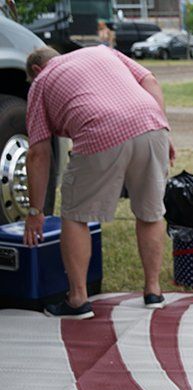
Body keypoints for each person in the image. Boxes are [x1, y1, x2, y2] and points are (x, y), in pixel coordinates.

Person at [23, 45, 175, 319]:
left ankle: (78, 299)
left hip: (100, 132)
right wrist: (163, 130)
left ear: (36, 70)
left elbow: (38, 153)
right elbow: (149, 80)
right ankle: (153, 291)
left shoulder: (41, 82)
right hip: (152, 125)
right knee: (151, 211)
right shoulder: (102, 50)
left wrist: (35, 212)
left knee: (75, 215)